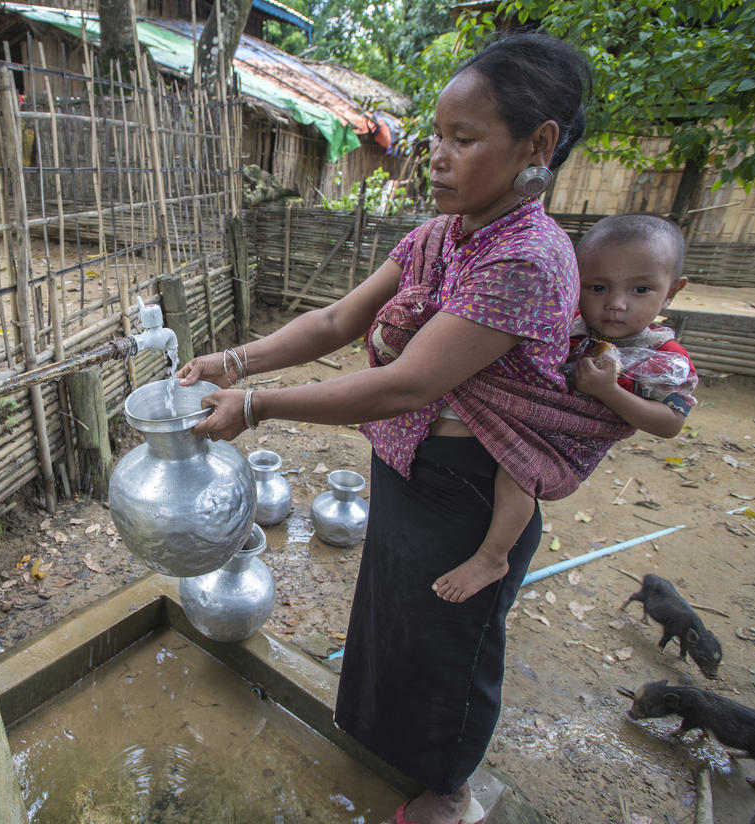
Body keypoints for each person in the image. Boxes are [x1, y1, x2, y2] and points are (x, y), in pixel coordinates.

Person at [177, 33, 633, 824]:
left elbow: (407, 383)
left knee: (452, 644)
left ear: (539, 145)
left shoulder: (528, 259)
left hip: (469, 493)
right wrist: (232, 361)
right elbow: (332, 319)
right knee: (396, 621)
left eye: (464, 139)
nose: (437, 157)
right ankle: (399, 750)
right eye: (437, 138)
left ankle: (447, 789)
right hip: (407, 466)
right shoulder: (436, 236)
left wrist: (257, 407)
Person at [432, 213, 697, 604]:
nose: (616, 304)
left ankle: (492, 557)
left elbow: (671, 423)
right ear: (575, 281)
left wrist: (609, 392)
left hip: (567, 444)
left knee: (518, 470)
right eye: (598, 287)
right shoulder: (566, 324)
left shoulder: (662, 358)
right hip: (523, 421)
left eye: (641, 289)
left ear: (673, 291)